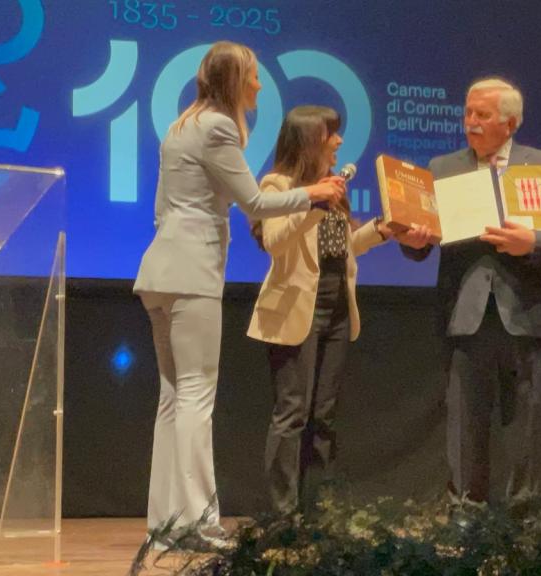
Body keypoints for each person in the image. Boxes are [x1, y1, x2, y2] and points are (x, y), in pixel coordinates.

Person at [132, 42, 345, 543]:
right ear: (234, 80)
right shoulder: (218, 126)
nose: (259, 86)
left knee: (172, 397)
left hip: (160, 270)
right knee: (196, 396)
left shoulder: (181, 126)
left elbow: (165, 210)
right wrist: (315, 192)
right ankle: (197, 523)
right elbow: (254, 201)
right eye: (253, 77)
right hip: (191, 274)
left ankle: (165, 522)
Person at [399, 77, 541, 508]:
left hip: (523, 314)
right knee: (464, 424)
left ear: (511, 122)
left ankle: (521, 518)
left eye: (482, 115)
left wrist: (532, 242)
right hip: (465, 314)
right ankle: (466, 514)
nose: (471, 123)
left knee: (524, 427)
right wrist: (416, 242)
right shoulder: (444, 167)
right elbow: (422, 246)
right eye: (468, 113)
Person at [245, 105, 399, 514]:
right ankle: (282, 515)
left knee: (324, 415)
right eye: (332, 133)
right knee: (292, 413)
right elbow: (276, 241)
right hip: (297, 305)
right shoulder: (278, 185)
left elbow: (343, 246)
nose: (340, 142)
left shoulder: (332, 187)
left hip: (337, 306)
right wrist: (313, 202)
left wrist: (382, 231)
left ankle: (319, 512)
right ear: (312, 139)